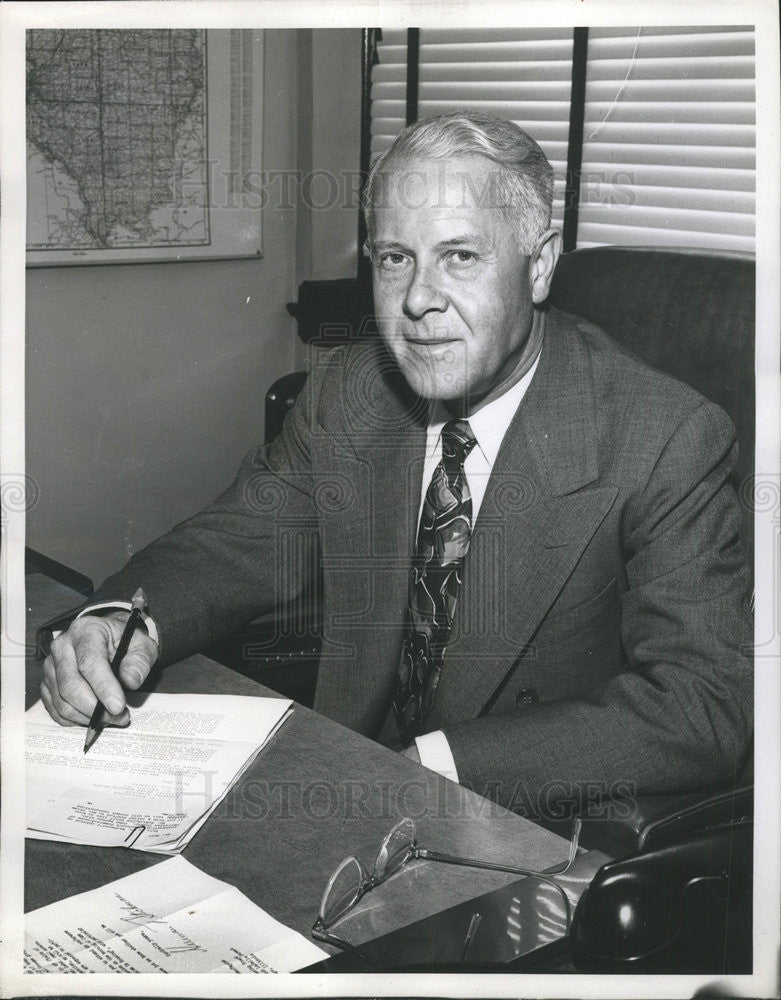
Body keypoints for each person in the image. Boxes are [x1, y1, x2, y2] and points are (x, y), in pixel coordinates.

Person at [41, 112, 752, 813]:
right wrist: (117, 621)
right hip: (344, 787)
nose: (416, 300)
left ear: (537, 266)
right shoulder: (355, 390)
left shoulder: (665, 436)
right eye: (394, 258)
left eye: (460, 256)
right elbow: (239, 539)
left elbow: (705, 704)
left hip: (527, 820)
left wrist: (436, 766)